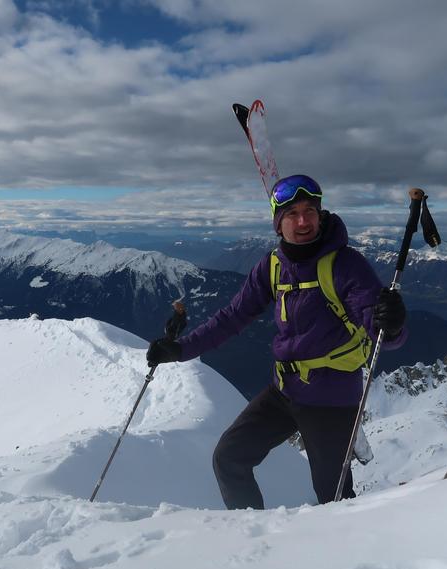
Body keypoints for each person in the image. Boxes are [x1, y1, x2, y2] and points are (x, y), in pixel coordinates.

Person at [146, 174, 407, 509]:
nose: (303, 221)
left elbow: (380, 328)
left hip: (331, 398)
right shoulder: (273, 266)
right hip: (285, 389)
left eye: (310, 211)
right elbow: (232, 317)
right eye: (292, 213)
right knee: (229, 458)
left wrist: (393, 324)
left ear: (321, 214)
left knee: (335, 500)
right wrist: (181, 350)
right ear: (277, 222)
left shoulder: (345, 265)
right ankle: (255, 540)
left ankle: (351, 556)